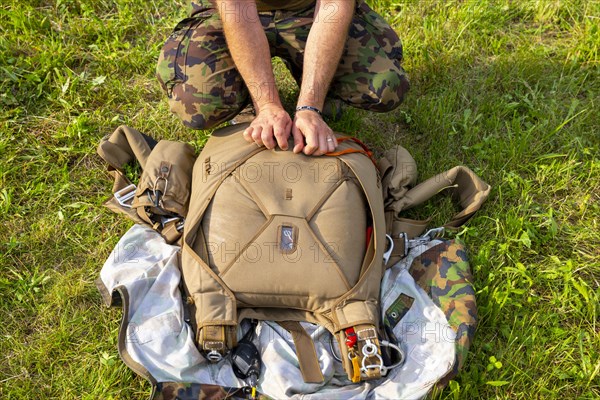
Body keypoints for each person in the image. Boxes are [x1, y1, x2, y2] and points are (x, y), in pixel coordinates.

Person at [156, 0, 409, 156]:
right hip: (228, 11)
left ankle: (318, 84)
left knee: (384, 87)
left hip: (309, 8)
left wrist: (310, 106)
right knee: (198, 103)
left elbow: (334, 4)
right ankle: (246, 97)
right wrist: (266, 104)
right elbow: (237, 7)